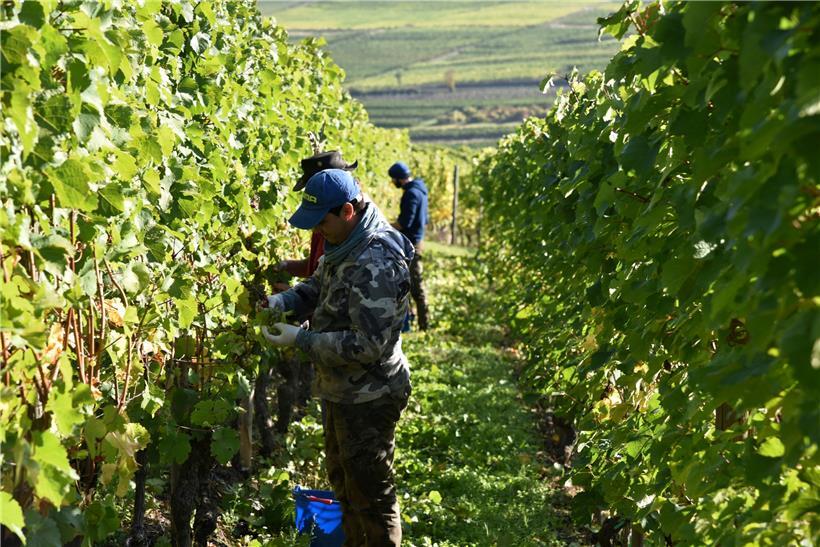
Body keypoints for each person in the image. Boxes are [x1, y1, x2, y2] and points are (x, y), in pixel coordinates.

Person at [262, 169, 413, 546]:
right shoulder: (345, 244)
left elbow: (367, 345)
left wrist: (302, 339)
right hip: (341, 389)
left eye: (321, 223)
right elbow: (318, 286)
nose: (317, 233)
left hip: (369, 394)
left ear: (347, 211)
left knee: (371, 498)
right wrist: (281, 303)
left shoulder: (375, 261)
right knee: (345, 485)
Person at [277, 150, 359, 278]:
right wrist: (287, 266)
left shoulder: (339, 225)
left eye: (314, 185)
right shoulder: (329, 222)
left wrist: (301, 297)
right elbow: (317, 267)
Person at [388, 161, 430, 331]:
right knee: (408, 284)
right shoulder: (420, 190)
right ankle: (412, 321)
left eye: (393, 180)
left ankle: (424, 326)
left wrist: (385, 225)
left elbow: (405, 222)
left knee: (414, 286)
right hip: (416, 241)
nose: (393, 183)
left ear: (399, 179)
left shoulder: (411, 194)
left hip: (411, 244)